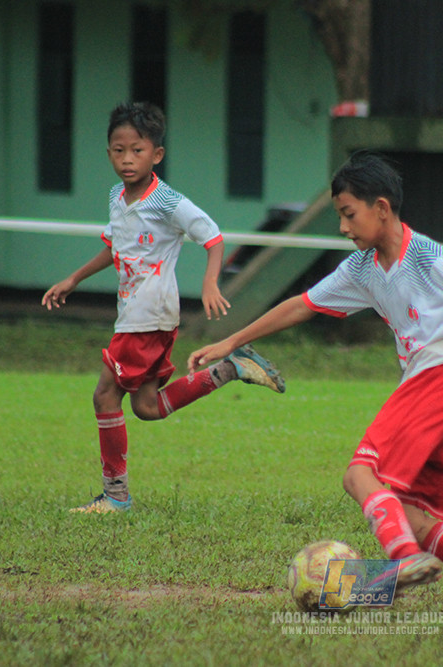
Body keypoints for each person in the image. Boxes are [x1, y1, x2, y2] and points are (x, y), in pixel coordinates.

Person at [188, 151, 443, 614]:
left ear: (381, 208)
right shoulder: (362, 268)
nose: (343, 227)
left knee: (360, 474)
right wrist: (232, 340)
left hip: (441, 380)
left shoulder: (427, 257)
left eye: (348, 214)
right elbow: (302, 305)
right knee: (415, 517)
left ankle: (400, 561)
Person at [42, 102, 285, 514]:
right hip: (140, 315)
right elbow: (114, 245)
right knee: (147, 407)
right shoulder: (117, 196)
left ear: (156, 155)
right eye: (118, 150)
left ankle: (116, 495)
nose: (126, 159)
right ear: (108, 154)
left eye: (137, 150)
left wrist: (210, 281)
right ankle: (232, 368)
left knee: (104, 396)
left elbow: (212, 235)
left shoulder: (168, 201)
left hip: (148, 314)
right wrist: (74, 279)